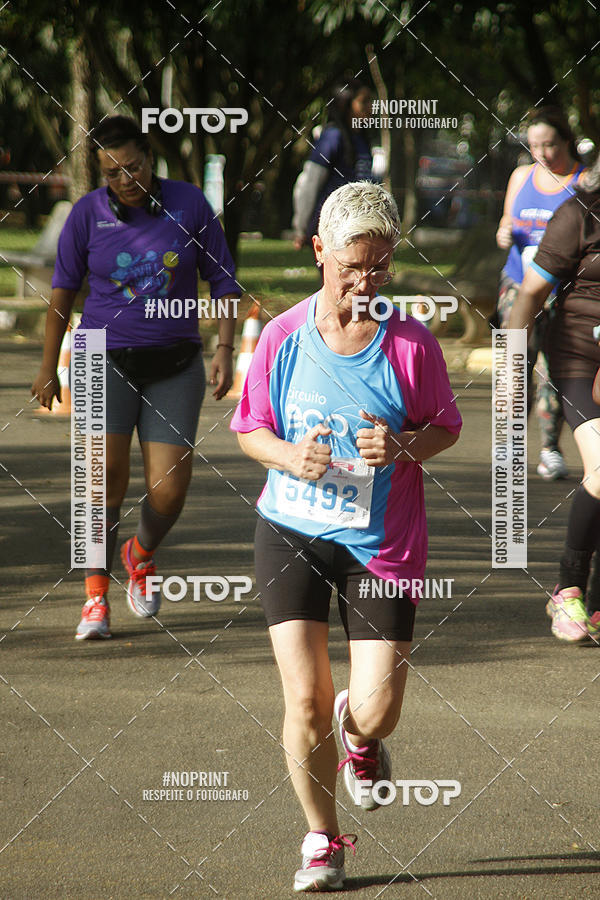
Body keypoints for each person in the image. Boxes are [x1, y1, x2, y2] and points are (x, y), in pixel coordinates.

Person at [231, 181, 462, 891]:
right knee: (301, 700)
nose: (366, 282)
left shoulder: (409, 343)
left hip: (381, 544)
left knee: (378, 712)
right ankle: (322, 840)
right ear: (318, 252)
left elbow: (446, 426)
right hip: (293, 530)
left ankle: (358, 738)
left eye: (381, 266)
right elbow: (250, 430)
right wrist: (286, 455)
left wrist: (402, 449)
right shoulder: (282, 336)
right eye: (352, 266)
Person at [31, 115, 240, 640]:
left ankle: (139, 555)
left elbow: (222, 280)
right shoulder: (86, 216)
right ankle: (95, 597)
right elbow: (61, 294)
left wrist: (226, 349)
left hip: (175, 360)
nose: (124, 179)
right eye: (112, 172)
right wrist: (47, 366)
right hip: (103, 355)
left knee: (168, 492)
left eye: (133, 166)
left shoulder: (189, 204)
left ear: (151, 157)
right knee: (102, 483)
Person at [508, 156, 600, 644]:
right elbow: (528, 297)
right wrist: (512, 368)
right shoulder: (578, 217)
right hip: (581, 356)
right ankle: (567, 588)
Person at [496, 106, 586, 480]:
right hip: (518, 285)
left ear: (566, 141)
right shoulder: (521, 177)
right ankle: (509, 448)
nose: (543, 154)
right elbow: (506, 222)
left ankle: (550, 449)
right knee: (514, 365)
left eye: (549, 144)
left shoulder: (583, 183)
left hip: (564, 290)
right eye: (534, 145)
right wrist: (503, 233)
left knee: (551, 371)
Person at [292, 81, 374, 251]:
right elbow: (310, 182)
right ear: (346, 103)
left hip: (356, 224)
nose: (370, 107)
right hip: (333, 225)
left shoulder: (362, 138)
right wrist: (300, 227)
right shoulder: (332, 136)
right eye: (364, 101)